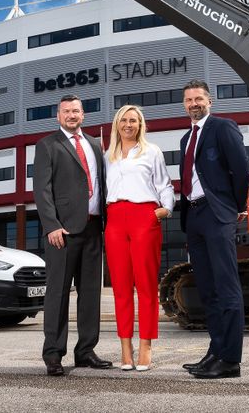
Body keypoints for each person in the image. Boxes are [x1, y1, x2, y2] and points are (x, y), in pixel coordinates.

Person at [33, 94, 112, 376]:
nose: (71, 115)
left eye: (76, 111)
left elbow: (102, 184)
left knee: (90, 294)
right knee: (58, 294)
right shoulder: (47, 146)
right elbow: (42, 190)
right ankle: (53, 354)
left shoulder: (94, 144)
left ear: (83, 114)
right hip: (63, 232)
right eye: (66, 111)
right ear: (58, 116)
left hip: (93, 227)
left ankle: (86, 351)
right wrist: (51, 225)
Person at [177, 79, 249, 379]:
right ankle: (216, 351)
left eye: (199, 99)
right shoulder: (185, 139)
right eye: (189, 100)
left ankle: (230, 360)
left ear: (210, 101)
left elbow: (241, 169)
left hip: (216, 214)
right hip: (193, 216)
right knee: (208, 290)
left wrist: (235, 207)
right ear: (184, 105)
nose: (194, 103)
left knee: (226, 287)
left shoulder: (223, 127)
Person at [103, 104, 174, 372]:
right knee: (120, 288)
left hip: (144, 215)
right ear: (117, 124)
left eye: (133, 120)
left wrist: (164, 210)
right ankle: (125, 348)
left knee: (145, 285)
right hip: (115, 219)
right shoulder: (108, 155)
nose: (128, 124)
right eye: (124, 120)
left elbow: (164, 184)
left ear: (140, 124)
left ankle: (145, 346)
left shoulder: (151, 151)